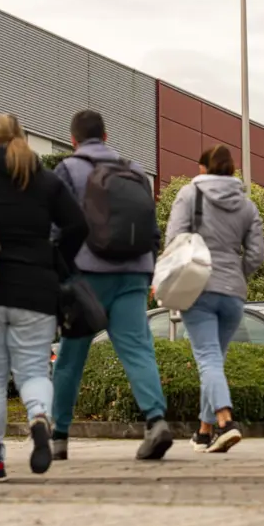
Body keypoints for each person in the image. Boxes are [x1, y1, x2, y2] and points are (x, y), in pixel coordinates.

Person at [0, 113, 88, 482]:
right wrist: (56, 258)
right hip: (36, 290)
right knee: (34, 371)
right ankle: (39, 415)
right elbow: (77, 225)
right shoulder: (44, 178)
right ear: (22, 138)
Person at [50, 110, 173, 461]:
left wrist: (62, 273)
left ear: (73, 140)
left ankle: (59, 437)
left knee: (71, 356)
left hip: (87, 276)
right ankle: (156, 420)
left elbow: (59, 227)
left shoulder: (68, 169)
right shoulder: (134, 171)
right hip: (134, 272)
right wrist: (146, 270)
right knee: (138, 349)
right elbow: (152, 229)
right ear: (105, 136)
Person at [164, 144, 264, 453]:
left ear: (203, 169)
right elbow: (257, 254)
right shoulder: (247, 206)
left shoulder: (189, 195)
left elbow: (173, 240)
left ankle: (225, 421)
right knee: (215, 361)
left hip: (198, 288)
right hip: (233, 292)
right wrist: (237, 274)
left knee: (207, 358)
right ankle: (204, 431)